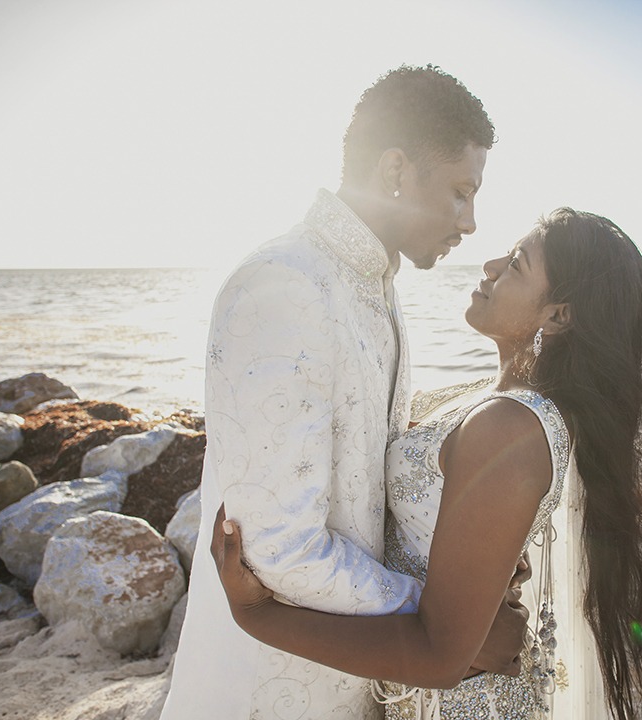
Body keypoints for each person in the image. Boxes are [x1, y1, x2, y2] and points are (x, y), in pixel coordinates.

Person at [210, 208, 642, 718]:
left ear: (559, 314)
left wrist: (257, 614)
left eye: (518, 263)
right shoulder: (482, 400)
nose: (491, 265)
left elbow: (439, 658)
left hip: (462, 705)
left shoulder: (512, 427)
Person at [161, 65, 531, 720]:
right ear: (395, 170)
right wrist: (452, 621)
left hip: (357, 669)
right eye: (458, 192)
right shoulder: (285, 282)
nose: (471, 222)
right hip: (270, 685)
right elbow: (276, 550)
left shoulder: (376, 290)